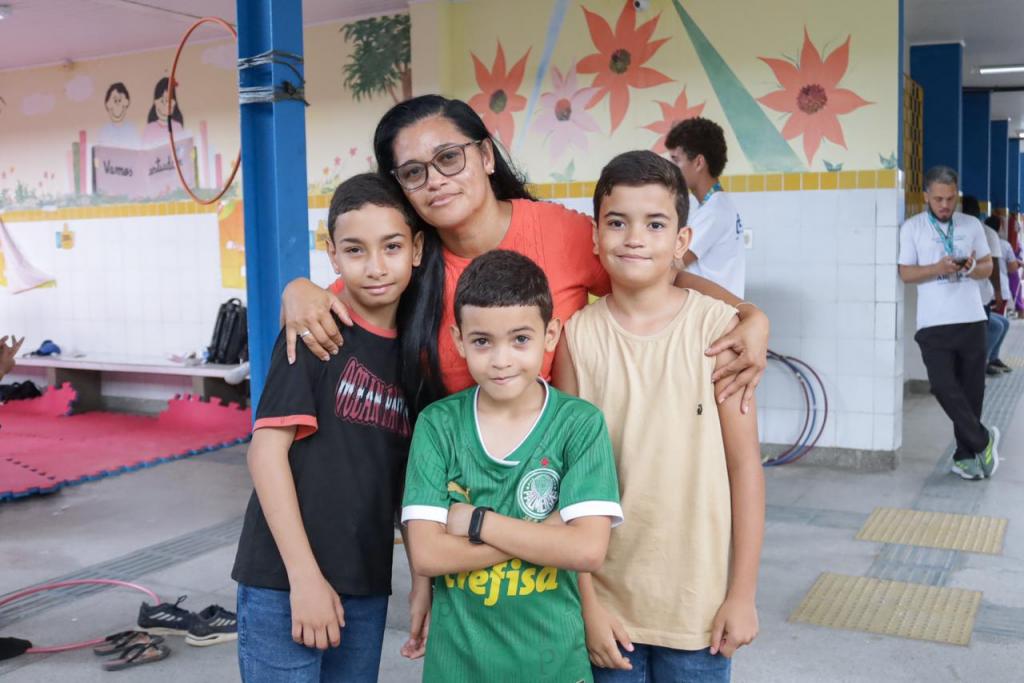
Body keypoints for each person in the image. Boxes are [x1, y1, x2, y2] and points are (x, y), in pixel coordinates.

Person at [280, 95, 770, 417]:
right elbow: (332, 305)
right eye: (413, 172)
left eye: (449, 158)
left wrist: (748, 314)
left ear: (486, 156)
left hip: (553, 474)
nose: (435, 181)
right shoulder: (408, 259)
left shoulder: (560, 233)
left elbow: (661, 278)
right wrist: (298, 291)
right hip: (452, 487)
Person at [553, 151, 763, 682]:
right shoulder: (576, 338)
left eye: (654, 224)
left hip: (699, 613)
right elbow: (567, 481)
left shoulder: (719, 330)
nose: (634, 238)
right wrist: (587, 605)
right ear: (595, 236)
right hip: (609, 610)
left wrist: (742, 594)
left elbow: (744, 467)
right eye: (616, 222)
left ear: (681, 241)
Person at [231, 174, 430, 682]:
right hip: (283, 581)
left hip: (364, 581)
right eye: (355, 250)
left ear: (416, 249)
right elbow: (265, 454)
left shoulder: (415, 356)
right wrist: (304, 579)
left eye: (391, 247)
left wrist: (421, 579)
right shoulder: (316, 332)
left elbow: (406, 485)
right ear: (333, 255)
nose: (376, 266)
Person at [401, 249, 624, 683]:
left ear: (550, 334)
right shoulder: (438, 425)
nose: (501, 360)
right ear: (459, 340)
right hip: (458, 667)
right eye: (482, 341)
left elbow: (587, 551)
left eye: (520, 339)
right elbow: (427, 555)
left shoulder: (579, 424)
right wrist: (547, 533)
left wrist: (477, 522)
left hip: (554, 666)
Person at [898, 167, 999, 480]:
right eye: (938, 199)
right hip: (933, 323)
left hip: (972, 319)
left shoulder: (971, 225)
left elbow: (987, 266)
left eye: (951, 199)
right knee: (943, 387)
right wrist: (936, 268)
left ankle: (965, 457)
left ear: (957, 195)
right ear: (926, 196)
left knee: (972, 392)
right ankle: (983, 440)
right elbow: (906, 273)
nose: (945, 205)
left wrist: (970, 267)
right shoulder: (912, 228)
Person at [666, 116, 745, 298]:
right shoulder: (718, 205)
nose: (671, 169)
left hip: (715, 311)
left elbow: (674, 264)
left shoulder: (714, 211)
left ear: (699, 162)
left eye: (676, 160)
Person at [981, 216, 1010, 375]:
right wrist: (998, 293)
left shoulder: (985, 233)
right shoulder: (989, 234)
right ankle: (982, 362)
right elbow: (995, 266)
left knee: (1004, 322)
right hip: (978, 299)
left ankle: (992, 358)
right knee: (996, 327)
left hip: (984, 296)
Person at [141, 77, 188, 149]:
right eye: (162, 101)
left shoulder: (177, 127)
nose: (166, 105)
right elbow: (144, 151)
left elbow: (182, 150)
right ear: (155, 103)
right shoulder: (149, 129)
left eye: (169, 101)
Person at [97, 82, 140, 149]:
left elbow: (137, 151)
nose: (117, 105)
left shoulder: (131, 129)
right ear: (107, 104)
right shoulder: (105, 131)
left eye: (120, 100)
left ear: (127, 102)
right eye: (115, 101)